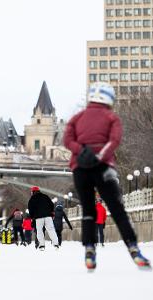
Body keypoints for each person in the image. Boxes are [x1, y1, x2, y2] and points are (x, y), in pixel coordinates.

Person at [64, 81, 150, 270]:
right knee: (117, 209)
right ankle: (133, 248)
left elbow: (67, 139)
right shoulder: (112, 118)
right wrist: (100, 155)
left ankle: (89, 250)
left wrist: (81, 151)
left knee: (88, 210)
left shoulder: (77, 117)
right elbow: (115, 140)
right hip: (103, 168)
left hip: (80, 167)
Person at [28, 186, 59, 251]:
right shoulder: (45, 196)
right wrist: (52, 213)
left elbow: (30, 210)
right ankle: (56, 244)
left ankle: (42, 245)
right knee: (51, 230)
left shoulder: (32, 199)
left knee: (39, 231)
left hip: (38, 218)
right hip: (48, 216)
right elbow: (51, 205)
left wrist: (32, 217)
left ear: (33, 192)